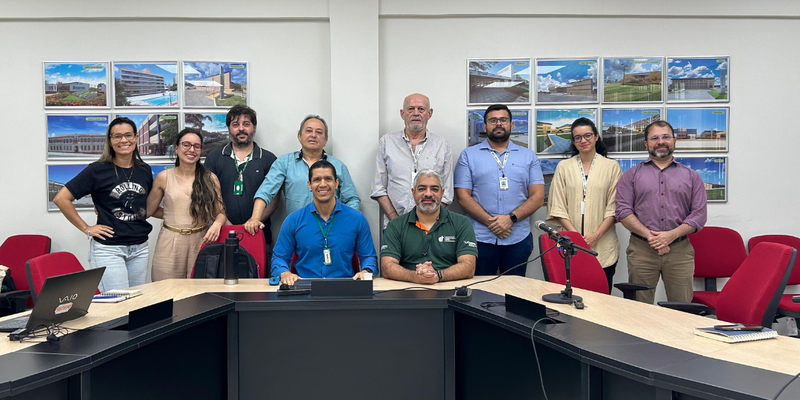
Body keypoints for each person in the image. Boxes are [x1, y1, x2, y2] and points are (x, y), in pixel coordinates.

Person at [53, 117, 153, 292]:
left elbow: (146, 206)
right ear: (110, 141)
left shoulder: (144, 169)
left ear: (136, 138)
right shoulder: (97, 170)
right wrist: (87, 228)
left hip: (139, 248)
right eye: (117, 136)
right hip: (109, 249)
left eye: (128, 135)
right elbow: (61, 199)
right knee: (117, 304)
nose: (124, 140)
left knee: (138, 303)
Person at [616, 120, 707, 304]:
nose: (660, 141)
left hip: (680, 252)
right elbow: (623, 212)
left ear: (674, 141)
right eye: (654, 138)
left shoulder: (691, 176)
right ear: (646, 144)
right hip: (642, 251)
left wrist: (671, 235)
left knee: (682, 309)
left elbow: (698, 215)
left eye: (666, 137)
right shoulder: (631, 176)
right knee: (639, 309)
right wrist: (654, 238)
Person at [454, 104, 544, 276]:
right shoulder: (468, 155)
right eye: (493, 120)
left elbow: (538, 197)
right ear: (485, 126)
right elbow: (462, 196)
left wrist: (510, 219)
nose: (499, 124)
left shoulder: (528, 156)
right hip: (480, 237)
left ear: (511, 125)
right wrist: (492, 223)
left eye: (503, 120)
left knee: (515, 293)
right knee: (480, 293)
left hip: (518, 237)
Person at [245, 115, 360, 236]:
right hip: (297, 232)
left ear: (325, 140)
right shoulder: (284, 163)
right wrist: (255, 219)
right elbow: (266, 191)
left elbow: (352, 199)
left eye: (319, 132)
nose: (313, 135)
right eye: (309, 131)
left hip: (331, 231)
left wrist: (345, 223)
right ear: (299, 136)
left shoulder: (338, 166)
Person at [546, 117, 622, 293]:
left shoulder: (611, 166)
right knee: (569, 296)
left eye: (587, 135)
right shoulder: (564, 167)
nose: (583, 140)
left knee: (601, 299)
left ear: (596, 136)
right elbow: (557, 205)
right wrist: (574, 237)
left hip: (603, 244)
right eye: (577, 137)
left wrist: (596, 235)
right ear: (573, 141)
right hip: (568, 243)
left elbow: (614, 207)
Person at [272, 160, 376, 285]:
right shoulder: (293, 220)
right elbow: (279, 258)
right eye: (317, 180)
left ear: (336, 183)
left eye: (328, 179)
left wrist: (366, 270)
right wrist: (284, 273)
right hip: (304, 289)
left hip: (345, 289)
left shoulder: (357, 219)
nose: (322, 184)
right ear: (309, 185)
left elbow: (369, 257)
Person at [204, 105, 278, 270]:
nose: (241, 129)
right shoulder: (214, 158)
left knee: (258, 287)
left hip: (258, 233)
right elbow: (209, 195)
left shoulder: (268, 159)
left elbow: (274, 199)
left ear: (254, 127)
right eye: (236, 124)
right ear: (229, 128)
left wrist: (254, 221)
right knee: (222, 283)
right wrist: (226, 224)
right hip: (222, 232)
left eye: (246, 124)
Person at [147, 128, 227, 281]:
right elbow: (149, 211)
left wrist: (217, 223)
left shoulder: (210, 178)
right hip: (169, 243)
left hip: (201, 241)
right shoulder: (163, 177)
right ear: (176, 148)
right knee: (165, 293)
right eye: (186, 145)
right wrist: (173, 216)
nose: (192, 149)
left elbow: (221, 212)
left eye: (196, 146)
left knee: (199, 295)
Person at [381, 170, 477, 284]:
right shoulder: (395, 225)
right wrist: (414, 277)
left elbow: (469, 266)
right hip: (406, 289)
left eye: (434, 189)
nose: (428, 194)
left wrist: (438, 275)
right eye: (422, 189)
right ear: (413, 192)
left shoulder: (462, 223)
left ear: (442, 193)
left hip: (450, 288)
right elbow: (387, 267)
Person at [371, 93, 453, 228]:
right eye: (410, 109)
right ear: (402, 114)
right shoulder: (386, 142)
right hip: (394, 225)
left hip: (432, 227)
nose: (416, 113)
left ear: (429, 113)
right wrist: (396, 221)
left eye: (421, 109)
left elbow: (447, 192)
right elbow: (378, 188)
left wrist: (427, 222)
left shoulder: (442, 145)